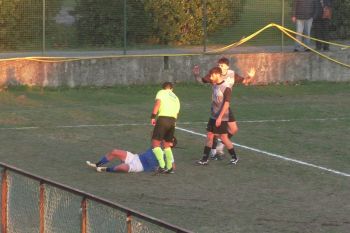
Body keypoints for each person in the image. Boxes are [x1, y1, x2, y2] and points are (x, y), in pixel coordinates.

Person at [193, 57, 255, 159]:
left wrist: (250, 77)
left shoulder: (232, 74)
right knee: (214, 133)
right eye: (218, 65)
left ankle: (219, 146)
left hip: (226, 106)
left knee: (234, 129)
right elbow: (202, 81)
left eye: (221, 65)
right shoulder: (215, 74)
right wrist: (196, 75)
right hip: (218, 107)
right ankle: (214, 150)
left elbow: (245, 81)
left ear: (227, 66)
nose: (219, 67)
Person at [196, 67, 240, 165]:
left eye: (212, 75)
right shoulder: (214, 83)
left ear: (218, 75)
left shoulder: (226, 87)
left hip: (221, 117)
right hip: (213, 116)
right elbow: (201, 81)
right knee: (210, 136)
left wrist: (220, 117)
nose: (210, 77)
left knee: (224, 137)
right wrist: (196, 75)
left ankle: (234, 157)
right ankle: (205, 159)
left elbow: (226, 104)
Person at [86, 137, 177, 173]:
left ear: (171, 144)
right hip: (135, 157)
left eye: (169, 139)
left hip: (139, 166)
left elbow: (173, 167)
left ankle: (105, 169)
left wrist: (161, 169)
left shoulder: (168, 154)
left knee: (122, 167)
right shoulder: (157, 144)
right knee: (115, 151)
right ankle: (97, 164)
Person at [150, 81, 180, 173]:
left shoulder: (161, 92)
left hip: (163, 119)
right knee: (167, 145)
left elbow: (158, 103)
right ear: (172, 89)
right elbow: (177, 113)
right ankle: (170, 167)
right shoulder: (176, 97)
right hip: (172, 121)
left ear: (164, 88)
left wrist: (153, 116)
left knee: (155, 143)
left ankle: (162, 166)